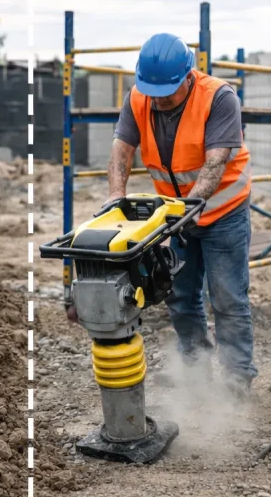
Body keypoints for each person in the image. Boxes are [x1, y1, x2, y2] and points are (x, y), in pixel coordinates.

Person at [106, 32, 256, 397]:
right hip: (176, 215)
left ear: (188, 77)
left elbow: (215, 162)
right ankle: (195, 368)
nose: (158, 101)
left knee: (227, 297)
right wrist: (116, 197)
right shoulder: (139, 98)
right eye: (152, 93)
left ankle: (238, 377)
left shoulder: (219, 98)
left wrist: (186, 210)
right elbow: (122, 149)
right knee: (180, 294)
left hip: (222, 212)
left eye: (167, 93)